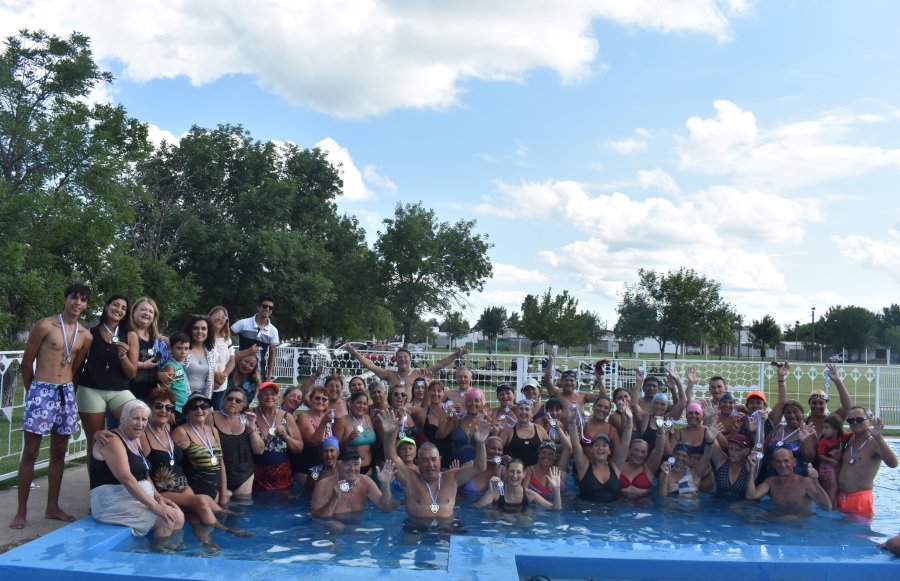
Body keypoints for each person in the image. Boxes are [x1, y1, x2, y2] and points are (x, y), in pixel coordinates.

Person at [10, 283, 92, 530]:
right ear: (65, 299)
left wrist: (68, 392)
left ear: (86, 304)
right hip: (41, 390)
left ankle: (52, 507)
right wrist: (33, 393)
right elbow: (27, 363)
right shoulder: (45, 325)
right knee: (31, 452)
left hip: (65, 392)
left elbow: (76, 368)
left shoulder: (85, 336)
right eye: (74, 298)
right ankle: (21, 511)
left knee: (59, 452)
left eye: (83, 300)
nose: (77, 303)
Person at [142, 387, 250, 548]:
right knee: (200, 501)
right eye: (158, 406)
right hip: (163, 489)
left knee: (195, 516)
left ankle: (208, 544)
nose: (164, 411)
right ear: (149, 408)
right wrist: (156, 496)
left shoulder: (167, 427)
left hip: (182, 484)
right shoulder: (144, 434)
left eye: (168, 407)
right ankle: (226, 530)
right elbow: (141, 469)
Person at [89, 399, 184, 540]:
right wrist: (155, 507)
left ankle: (160, 548)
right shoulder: (112, 440)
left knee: (179, 516)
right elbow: (126, 478)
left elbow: (144, 473)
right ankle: (159, 556)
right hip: (111, 502)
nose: (140, 424)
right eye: (135, 418)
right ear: (123, 419)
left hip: (133, 498)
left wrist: (158, 497)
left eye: (144, 419)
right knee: (166, 521)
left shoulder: (135, 439)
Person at [378, 408, 491, 520]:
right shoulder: (410, 479)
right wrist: (389, 434)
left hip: (446, 529)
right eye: (425, 460)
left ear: (440, 460)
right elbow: (392, 457)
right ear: (419, 462)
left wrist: (480, 443)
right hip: (416, 529)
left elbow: (479, 468)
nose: (430, 464)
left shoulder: (452, 478)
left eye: (433, 459)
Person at [77, 294, 138, 460]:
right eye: (115, 305)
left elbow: (132, 373)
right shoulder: (91, 333)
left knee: (138, 426)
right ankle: (95, 485)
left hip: (119, 390)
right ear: (106, 306)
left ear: (126, 314)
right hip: (91, 389)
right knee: (95, 440)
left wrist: (123, 356)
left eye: (123, 308)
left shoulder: (130, 335)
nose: (118, 310)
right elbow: (79, 364)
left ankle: (133, 475)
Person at [836, 406, 898, 518]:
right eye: (851, 420)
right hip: (842, 497)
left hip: (860, 499)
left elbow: (893, 463)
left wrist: (879, 438)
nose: (855, 422)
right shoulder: (850, 439)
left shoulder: (874, 442)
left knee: (858, 534)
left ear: (869, 420)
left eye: (859, 419)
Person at [568, 402, 633, 503]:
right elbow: (576, 445)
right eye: (597, 445)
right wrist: (571, 421)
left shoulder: (615, 466)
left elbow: (625, 445)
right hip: (585, 514)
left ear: (609, 450)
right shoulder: (584, 466)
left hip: (611, 515)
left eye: (604, 445)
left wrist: (629, 421)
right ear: (591, 449)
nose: (600, 448)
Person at [209, 386, 264, 500]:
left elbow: (259, 450)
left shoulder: (247, 419)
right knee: (223, 510)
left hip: (244, 473)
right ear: (223, 400)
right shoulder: (212, 417)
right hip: (221, 472)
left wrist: (252, 428)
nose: (233, 402)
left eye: (238, 400)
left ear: (243, 405)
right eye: (230, 398)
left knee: (243, 508)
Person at [172, 393, 228, 504]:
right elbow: (171, 464)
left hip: (215, 492)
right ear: (187, 412)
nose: (199, 410)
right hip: (195, 494)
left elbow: (221, 463)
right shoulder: (181, 432)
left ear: (209, 409)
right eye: (194, 407)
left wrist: (223, 495)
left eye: (204, 406)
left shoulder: (213, 430)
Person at [310, 448, 396, 517]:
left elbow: (386, 508)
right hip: (333, 530)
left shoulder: (365, 481)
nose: (352, 468)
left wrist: (385, 485)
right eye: (347, 464)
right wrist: (334, 498)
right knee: (337, 527)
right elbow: (317, 517)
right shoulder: (324, 485)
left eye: (356, 464)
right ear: (337, 466)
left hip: (359, 529)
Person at [252, 381, 303, 490]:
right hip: (255, 476)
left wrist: (286, 436)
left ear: (278, 397)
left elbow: (299, 448)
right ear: (259, 396)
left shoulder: (287, 417)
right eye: (265, 393)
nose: (269, 397)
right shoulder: (251, 415)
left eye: (273, 394)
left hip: (282, 476)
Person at [346, 343, 468, 388]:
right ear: (395, 360)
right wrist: (354, 352)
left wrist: (457, 354)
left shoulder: (419, 373)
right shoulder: (389, 374)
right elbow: (370, 365)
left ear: (410, 360)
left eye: (405, 357)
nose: (402, 359)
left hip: (413, 412)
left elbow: (440, 365)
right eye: (399, 357)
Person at [746, 448, 830, 511]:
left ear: (794, 462)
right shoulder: (770, 482)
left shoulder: (805, 482)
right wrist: (752, 471)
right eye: (778, 461)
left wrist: (815, 481)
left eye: (786, 461)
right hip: (776, 524)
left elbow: (827, 507)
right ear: (773, 464)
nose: (782, 465)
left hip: (799, 527)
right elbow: (751, 496)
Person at [475, 459, 562, 511]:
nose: (515, 476)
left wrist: (556, 490)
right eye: (511, 471)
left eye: (518, 472)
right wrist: (489, 492)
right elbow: (477, 508)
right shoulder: (496, 493)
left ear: (524, 474)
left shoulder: (530, 495)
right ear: (507, 472)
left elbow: (555, 509)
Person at [231, 293, 280, 382]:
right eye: (264, 306)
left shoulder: (273, 331)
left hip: (258, 373)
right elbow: (225, 337)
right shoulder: (243, 323)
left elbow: (272, 356)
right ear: (258, 307)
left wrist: (269, 376)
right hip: (239, 369)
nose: (267, 309)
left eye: (270, 308)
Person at [435, 388, 489, 465]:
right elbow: (439, 435)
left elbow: (495, 444)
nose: (473, 403)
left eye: (477, 401)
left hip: (479, 468)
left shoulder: (486, 420)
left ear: (482, 403)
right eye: (469, 400)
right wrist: (447, 416)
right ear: (465, 403)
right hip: (457, 467)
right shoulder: (458, 419)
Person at [544, 351, 602, 421]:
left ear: (576, 383)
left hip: (579, 431)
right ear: (561, 382)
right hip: (561, 430)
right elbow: (547, 380)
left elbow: (602, 397)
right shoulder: (557, 394)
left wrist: (599, 379)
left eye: (571, 380)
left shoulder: (583, 396)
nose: (569, 383)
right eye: (566, 380)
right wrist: (551, 361)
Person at [659, 430, 716, 499]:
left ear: (689, 458)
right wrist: (665, 476)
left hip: (691, 508)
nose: (680, 458)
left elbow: (705, 458)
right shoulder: (666, 472)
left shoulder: (694, 473)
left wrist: (709, 442)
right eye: (677, 454)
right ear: (673, 454)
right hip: (673, 508)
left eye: (684, 456)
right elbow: (662, 497)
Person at [129, 297, 165, 402]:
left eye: (151, 311)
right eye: (143, 309)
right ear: (133, 312)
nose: (147, 313)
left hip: (151, 396)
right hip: (126, 394)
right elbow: (117, 359)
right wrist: (143, 365)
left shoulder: (157, 340)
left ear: (154, 317)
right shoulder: (125, 334)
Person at [296, 386, 332, 488]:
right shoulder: (303, 417)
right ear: (310, 400)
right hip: (307, 469)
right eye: (317, 398)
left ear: (328, 403)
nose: (321, 401)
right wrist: (324, 422)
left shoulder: (328, 417)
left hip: (324, 469)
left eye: (324, 399)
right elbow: (313, 441)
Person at [618, 427, 668, 499]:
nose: (639, 454)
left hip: (643, 507)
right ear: (629, 450)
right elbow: (624, 443)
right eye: (636, 450)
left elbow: (659, 450)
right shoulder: (619, 465)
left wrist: (660, 430)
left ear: (647, 454)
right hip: (618, 505)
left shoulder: (649, 468)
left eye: (643, 452)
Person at [334, 391, 377, 474]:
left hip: (369, 467)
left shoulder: (368, 418)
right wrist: (349, 439)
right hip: (350, 469)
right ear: (350, 403)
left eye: (365, 403)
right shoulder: (341, 421)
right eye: (359, 403)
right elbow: (335, 448)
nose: (362, 406)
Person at [499, 399, 549, 467]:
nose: (524, 412)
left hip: (535, 473)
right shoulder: (508, 431)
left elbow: (551, 449)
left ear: (532, 414)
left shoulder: (539, 429)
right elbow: (496, 449)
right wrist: (502, 458)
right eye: (521, 409)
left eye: (527, 409)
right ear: (516, 412)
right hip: (515, 474)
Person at [805, 362, 852, 434]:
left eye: (821, 403)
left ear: (826, 404)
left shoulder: (832, 421)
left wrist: (837, 380)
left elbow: (847, 406)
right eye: (814, 403)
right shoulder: (803, 422)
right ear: (809, 403)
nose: (817, 406)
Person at [815, 413, 849, 507]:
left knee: (838, 486)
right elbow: (819, 456)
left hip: (836, 466)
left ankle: (835, 504)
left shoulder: (843, 437)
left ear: (835, 429)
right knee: (833, 486)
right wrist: (831, 461)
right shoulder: (823, 441)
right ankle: (829, 504)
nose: (823, 430)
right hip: (826, 466)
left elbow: (855, 435)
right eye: (823, 427)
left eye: (826, 428)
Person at [708, 433, 754, 501]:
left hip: (741, 507)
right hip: (718, 506)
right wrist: (710, 437)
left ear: (746, 451)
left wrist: (761, 427)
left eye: (737, 450)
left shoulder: (749, 465)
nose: (733, 453)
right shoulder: (721, 462)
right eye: (731, 449)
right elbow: (712, 442)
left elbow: (759, 448)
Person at [183, 314, 217, 400]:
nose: (200, 331)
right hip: (181, 397)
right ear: (190, 330)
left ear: (208, 332)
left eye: (203, 328)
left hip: (202, 399)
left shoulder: (211, 353)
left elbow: (211, 381)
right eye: (196, 328)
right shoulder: (183, 349)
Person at [208, 306, 235, 410]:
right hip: (205, 382)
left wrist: (222, 377)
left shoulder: (227, 339)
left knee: (216, 413)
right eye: (217, 315)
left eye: (224, 317)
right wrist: (214, 376)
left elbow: (232, 360)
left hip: (221, 385)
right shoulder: (203, 336)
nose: (220, 318)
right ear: (209, 317)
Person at [159, 331, 191, 414]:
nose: (183, 351)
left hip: (182, 407)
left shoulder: (180, 364)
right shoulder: (170, 367)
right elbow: (165, 390)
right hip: (174, 409)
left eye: (186, 348)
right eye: (179, 348)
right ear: (171, 348)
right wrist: (169, 410)